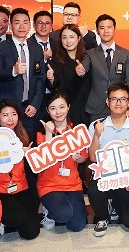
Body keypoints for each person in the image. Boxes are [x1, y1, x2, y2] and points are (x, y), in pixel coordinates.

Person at [87, 83, 129, 235]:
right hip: (104, 178)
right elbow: (92, 158)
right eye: (114, 99)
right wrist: (96, 136)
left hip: (126, 181)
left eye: (122, 99)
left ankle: (115, 205)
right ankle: (102, 217)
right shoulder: (96, 125)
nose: (118, 103)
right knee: (94, 189)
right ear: (107, 102)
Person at [34, 91, 89, 232]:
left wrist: (78, 157)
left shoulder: (77, 130)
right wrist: (48, 133)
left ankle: (61, 209)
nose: (58, 112)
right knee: (63, 215)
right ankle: (49, 212)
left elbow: (83, 158)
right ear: (47, 110)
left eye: (62, 107)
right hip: (49, 184)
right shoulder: (41, 131)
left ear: (68, 107)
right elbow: (43, 160)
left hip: (72, 184)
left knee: (77, 226)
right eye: (53, 108)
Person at [0, 100, 42, 240]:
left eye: (14, 114)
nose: (10, 119)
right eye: (5, 115)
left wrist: (29, 156)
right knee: (13, 217)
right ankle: (2, 219)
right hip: (1, 191)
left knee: (31, 233)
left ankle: (16, 218)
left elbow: (35, 170)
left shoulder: (25, 136)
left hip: (23, 189)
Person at [0, 7, 46, 138]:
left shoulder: (37, 48)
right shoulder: (0, 47)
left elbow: (40, 77)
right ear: (11, 26)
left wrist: (35, 103)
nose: (21, 26)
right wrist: (13, 71)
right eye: (17, 22)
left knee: (29, 143)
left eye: (25, 22)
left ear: (30, 26)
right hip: (8, 109)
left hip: (30, 108)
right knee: (6, 143)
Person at [83, 14, 129, 123]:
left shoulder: (125, 53)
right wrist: (80, 70)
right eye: (102, 28)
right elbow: (83, 70)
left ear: (115, 29)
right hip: (96, 108)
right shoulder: (90, 54)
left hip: (119, 106)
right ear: (97, 31)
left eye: (109, 27)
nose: (106, 31)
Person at [47, 24, 89, 126]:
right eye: (64, 37)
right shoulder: (56, 61)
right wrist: (51, 78)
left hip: (88, 109)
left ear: (79, 38)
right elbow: (55, 84)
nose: (68, 41)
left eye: (71, 37)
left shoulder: (87, 58)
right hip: (68, 111)